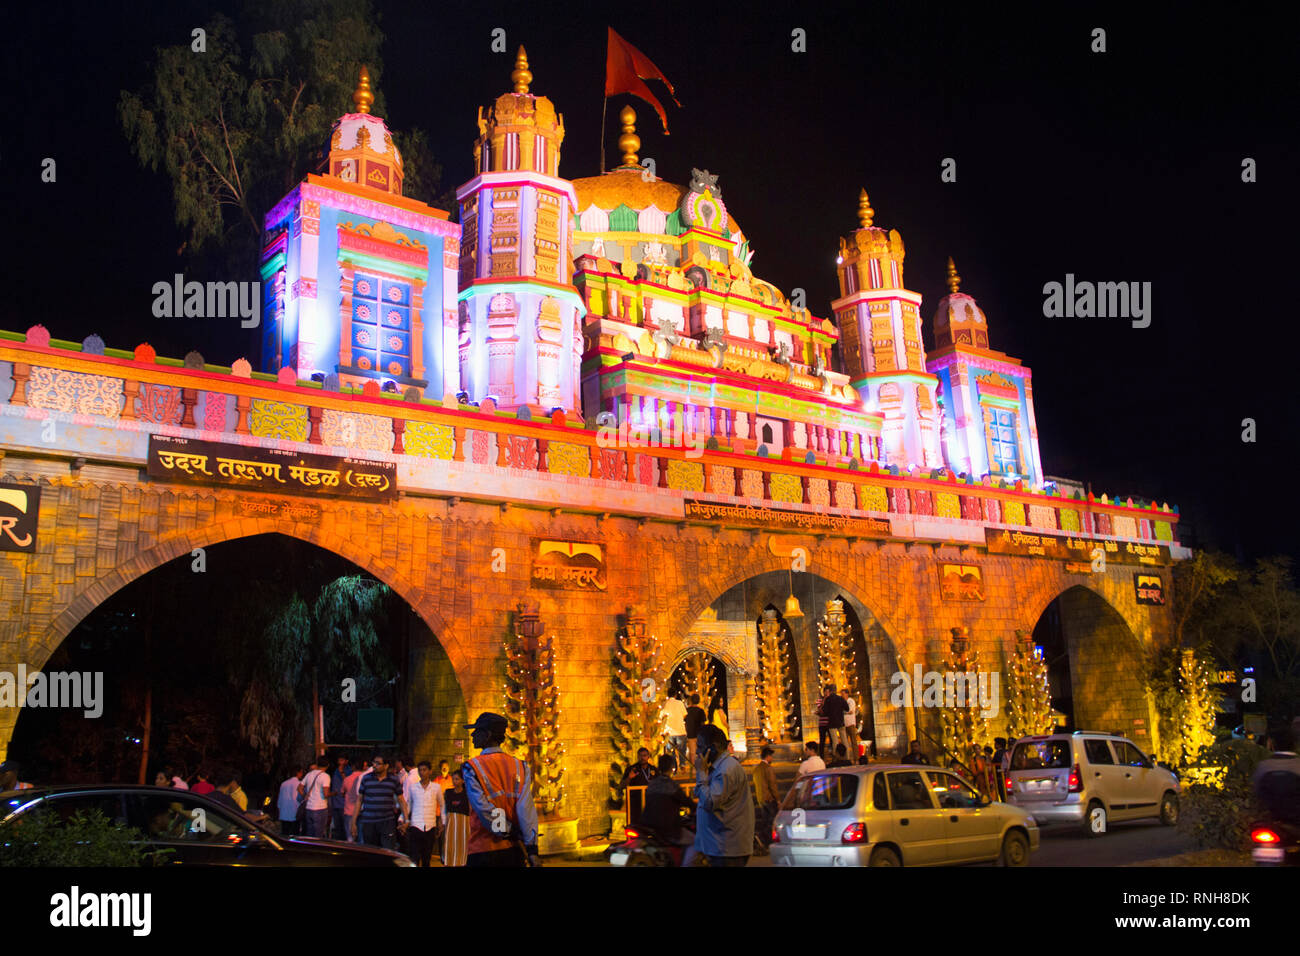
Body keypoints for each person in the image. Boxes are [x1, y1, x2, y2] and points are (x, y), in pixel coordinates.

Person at [461, 712, 540, 867]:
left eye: (477, 731)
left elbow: (483, 808)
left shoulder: (472, 767)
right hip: (513, 851)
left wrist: (507, 830)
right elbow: (526, 810)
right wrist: (532, 849)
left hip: (483, 849)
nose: (473, 735)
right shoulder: (520, 766)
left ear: (488, 734)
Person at [694, 724, 754, 866]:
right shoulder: (719, 768)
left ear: (713, 748)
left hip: (727, 848)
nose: (697, 751)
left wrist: (701, 773)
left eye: (700, 746)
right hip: (719, 847)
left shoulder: (726, 770)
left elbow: (710, 802)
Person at [642, 754, 697, 864]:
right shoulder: (671, 785)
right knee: (695, 842)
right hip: (668, 827)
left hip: (648, 825)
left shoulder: (652, 784)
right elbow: (686, 801)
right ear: (672, 768)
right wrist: (695, 807)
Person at [357, 754, 408, 850]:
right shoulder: (366, 778)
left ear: (386, 766)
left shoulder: (393, 780)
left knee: (387, 850)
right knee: (370, 851)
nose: (374, 765)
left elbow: (401, 800)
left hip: (387, 821)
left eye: (378, 763)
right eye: (373, 763)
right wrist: (353, 822)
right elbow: (359, 800)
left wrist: (406, 819)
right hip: (369, 821)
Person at [402, 761, 445, 867]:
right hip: (416, 825)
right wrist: (402, 819)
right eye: (420, 770)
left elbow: (443, 805)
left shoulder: (436, 787)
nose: (422, 772)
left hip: (430, 826)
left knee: (427, 858)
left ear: (430, 771)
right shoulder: (413, 787)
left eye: (424, 770)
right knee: (414, 857)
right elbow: (408, 805)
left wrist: (442, 822)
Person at [1253, 726, 1300, 824]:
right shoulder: (1298, 765)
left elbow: (1257, 792)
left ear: (1271, 743)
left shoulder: (1263, 766)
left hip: (1271, 820)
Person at [441, 768, 471, 866]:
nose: (454, 781)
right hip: (451, 822)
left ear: (463, 780)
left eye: (457, 779)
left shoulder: (467, 793)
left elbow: (470, 809)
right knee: (450, 846)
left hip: (463, 823)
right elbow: (444, 808)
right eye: (453, 779)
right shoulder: (448, 792)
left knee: (462, 846)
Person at [621, 747, 658, 826]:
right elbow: (622, 785)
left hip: (650, 804)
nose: (642, 758)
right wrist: (629, 778)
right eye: (640, 756)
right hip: (636, 804)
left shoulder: (654, 769)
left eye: (644, 755)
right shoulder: (631, 769)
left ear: (648, 756)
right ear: (637, 757)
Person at [752, 746, 779, 850]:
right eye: (771, 756)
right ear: (768, 757)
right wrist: (778, 799)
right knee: (771, 820)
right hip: (769, 799)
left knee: (765, 820)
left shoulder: (757, 769)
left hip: (760, 798)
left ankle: (764, 840)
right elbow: (773, 785)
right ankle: (763, 838)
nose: (772, 759)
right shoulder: (768, 768)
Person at [299, 756, 332, 838]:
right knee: (319, 835)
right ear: (328, 765)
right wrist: (334, 793)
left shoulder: (309, 774)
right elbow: (326, 794)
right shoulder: (325, 776)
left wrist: (305, 795)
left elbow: (299, 788)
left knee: (310, 834)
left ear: (317, 764)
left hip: (309, 808)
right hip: (320, 808)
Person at [821, 685, 851, 758]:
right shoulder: (840, 698)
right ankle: (847, 757)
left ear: (830, 691)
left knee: (835, 742)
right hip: (841, 722)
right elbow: (847, 708)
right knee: (845, 741)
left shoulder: (828, 699)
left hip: (832, 723)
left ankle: (836, 758)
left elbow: (824, 712)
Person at [661, 694, 689, 769]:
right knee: (682, 749)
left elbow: (661, 716)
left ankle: (673, 767)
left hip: (669, 731)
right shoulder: (680, 703)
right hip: (680, 730)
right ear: (675, 695)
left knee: (670, 751)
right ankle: (682, 764)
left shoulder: (664, 704)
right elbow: (685, 714)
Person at [277, 765, 305, 836]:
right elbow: (301, 799)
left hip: (284, 813)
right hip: (295, 813)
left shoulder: (284, 784)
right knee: (295, 834)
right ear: (298, 773)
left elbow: (280, 800)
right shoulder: (299, 784)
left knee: (285, 834)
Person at [343, 758, 367, 842]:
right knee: (362, 837)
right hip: (363, 810)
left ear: (353, 767)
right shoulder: (366, 778)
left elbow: (342, 792)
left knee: (350, 837)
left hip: (349, 811)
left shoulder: (347, 779)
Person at [329, 753, 351, 840]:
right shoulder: (335, 770)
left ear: (346, 761)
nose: (340, 762)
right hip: (335, 803)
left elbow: (347, 781)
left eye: (342, 760)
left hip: (344, 803)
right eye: (339, 760)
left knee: (345, 827)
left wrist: (342, 771)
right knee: (337, 827)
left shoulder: (348, 770)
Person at [684, 694, 707, 767]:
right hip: (699, 733)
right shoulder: (701, 711)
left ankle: (693, 767)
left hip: (690, 733)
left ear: (691, 701)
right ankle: (702, 766)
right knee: (701, 750)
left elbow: (685, 722)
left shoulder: (687, 710)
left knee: (692, 752)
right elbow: (703, 722)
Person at [815, 687, 832, 756]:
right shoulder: (819, 700)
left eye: (828, 692)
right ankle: (821, 756)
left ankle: (832, 754)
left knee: (832, 740)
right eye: (826, 692)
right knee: (822, 740)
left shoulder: (832, 700)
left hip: (830, 723)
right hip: (822, 723)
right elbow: (821, 711)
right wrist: (824, 700)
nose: (827, 694)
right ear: (824, 692)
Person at [844, 693, 860, 758]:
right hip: (844, 724)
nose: (842, 695)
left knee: (853, 741)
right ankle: (847, 758)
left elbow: (850, 711)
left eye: (843, 694)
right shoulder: (843, 701)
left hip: (851, 723)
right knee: (845, 742)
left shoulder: (851, 701)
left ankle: (856, 758)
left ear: (846, 694)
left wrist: (844, 712)